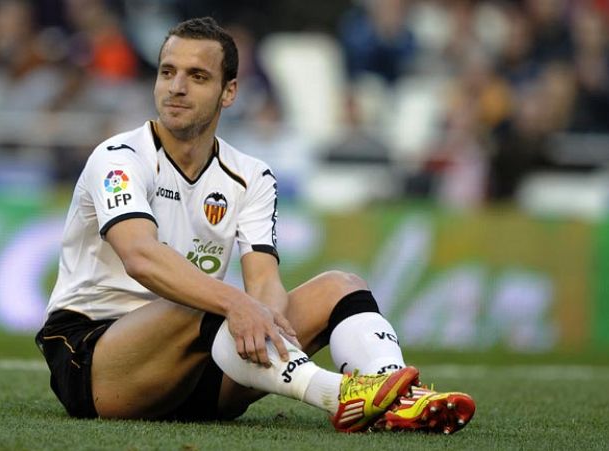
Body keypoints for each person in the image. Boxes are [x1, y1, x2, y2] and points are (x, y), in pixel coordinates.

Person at [35, 17, 475, 433]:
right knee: (207, 298)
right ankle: (340, 396)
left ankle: (397, 397)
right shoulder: (118, 158)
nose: (177, 87)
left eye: (197, 76)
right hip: (97, 359)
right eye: (167, 72)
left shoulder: (251, 175)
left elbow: (264, 283)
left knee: (340, 286)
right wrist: (236, 304)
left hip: (200, 365)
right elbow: (140, 258)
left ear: (229, 92)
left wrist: (261, 314)